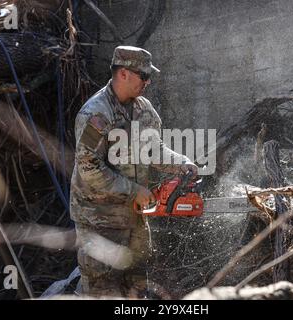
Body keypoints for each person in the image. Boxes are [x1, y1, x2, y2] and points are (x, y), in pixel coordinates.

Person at [70, 45, 198, 297]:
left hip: (135, 217)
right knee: (102, 288)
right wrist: (133, 191)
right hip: (100, 220)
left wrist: (182, 163)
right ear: (124, 73)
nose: (148, 82)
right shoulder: (96, 113)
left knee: (137, 287)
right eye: (144, 76)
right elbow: (89, 168)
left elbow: (154, 150)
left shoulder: (144, 110)